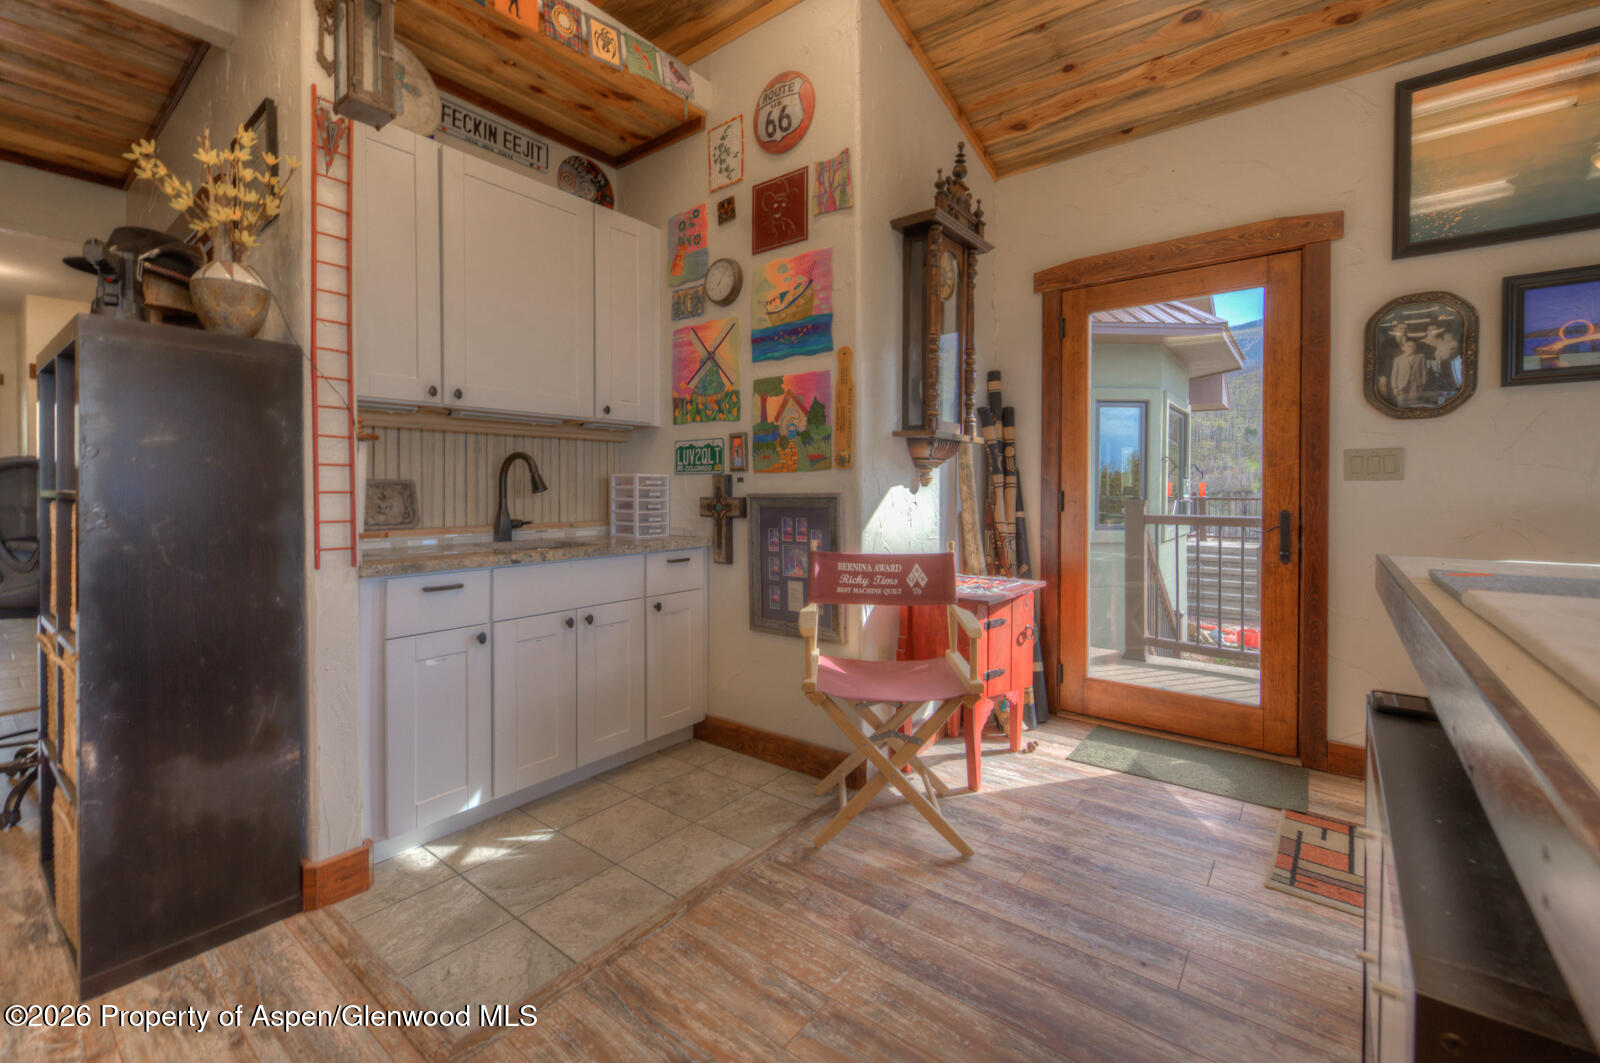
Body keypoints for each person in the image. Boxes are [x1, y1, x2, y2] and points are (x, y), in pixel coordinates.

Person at [1390, 335, 1426, 407]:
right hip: (1402, 386)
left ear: (1415, 348)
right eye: (1408, 346)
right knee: (1401, 403)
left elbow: (1424, 370)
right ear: (1403, 348)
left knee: (1414, 403)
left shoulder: (1420, 357)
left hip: (1416, 385)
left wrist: (1422, 384)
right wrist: (1395, 387)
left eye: (1413, 346)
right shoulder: (1398, 359)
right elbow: (1394, 374)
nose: (1411, 348)